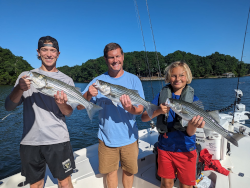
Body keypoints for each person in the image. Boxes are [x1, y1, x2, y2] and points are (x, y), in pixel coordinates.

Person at [5, 36, 76, 188]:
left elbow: (68, 112)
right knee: (35, 184)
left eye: (53, 50)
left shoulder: (67, 80)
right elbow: (9, 107)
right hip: (30, 141)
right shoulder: (26, 76)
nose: (49, 54)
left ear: (58, 53)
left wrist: (62, 104)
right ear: (38, 52)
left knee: (65, 183)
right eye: (44, 50)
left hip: (58, 139)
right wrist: (19, 88)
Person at [77, 43, 144, 188]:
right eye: (111, 57)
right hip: (106, 138)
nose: (115, 60)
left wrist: (130, 108)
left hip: (130, 137)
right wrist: (88, 94)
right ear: (106, 59)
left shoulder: (134, 80)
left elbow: (140, 110)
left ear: (123, 56)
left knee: (129, 172)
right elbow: (79, 106)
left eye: (118, 56)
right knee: (111, 173)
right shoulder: (97, 82)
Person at [141, 61, 205, 188]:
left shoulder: (194, 99)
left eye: (181, 75)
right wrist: (158, 111)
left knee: (186, 185)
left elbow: (191, 132)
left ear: (187, 77)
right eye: (174, 75)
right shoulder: (161, 96)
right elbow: (143, 118)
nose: (177, 79)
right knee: (166, 184)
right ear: (168, 77)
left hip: (186, 149)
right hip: (165, 148)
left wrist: (195, 124)